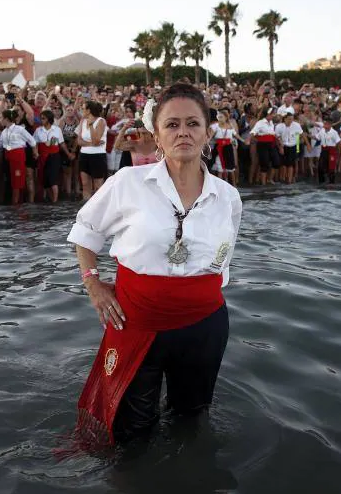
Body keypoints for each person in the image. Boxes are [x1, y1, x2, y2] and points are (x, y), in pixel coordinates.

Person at [67, 83, 242, 445]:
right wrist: (94, 286)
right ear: (157, 135)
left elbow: (224, 258)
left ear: (207, 133)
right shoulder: (127, 183)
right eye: (172, 124)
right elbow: (85, 233)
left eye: (193, 124)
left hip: (204, 325)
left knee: (191, 418)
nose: (183, 132)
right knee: (130, 430)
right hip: (136, 320)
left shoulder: (228, 196)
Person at [0, 108, 38, 205]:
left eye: (1, 118)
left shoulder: (20, 129)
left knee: (18, 180)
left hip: (18, 157)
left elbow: (32, 141)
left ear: (7, 119)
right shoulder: (4, 131)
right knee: (11, 180)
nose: (0, 120)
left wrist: (35, 152)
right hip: (8, 157)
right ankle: (15, 203)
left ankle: (17, 203)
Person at [33, 110, 71, 203]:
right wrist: (35, 153)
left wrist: (68, 154)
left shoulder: (57, 129)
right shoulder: (38, 130)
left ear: (49, 119)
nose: (41, 120)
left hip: (54, 156)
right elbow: (34, 143)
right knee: (45, 180)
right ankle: (50, 199)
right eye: (41, 118)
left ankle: (55, 200)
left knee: (53, 178)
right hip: (42, 156)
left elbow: (61, 143)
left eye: (43, 118)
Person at [77, 101, 108, 200]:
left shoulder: (101, 121)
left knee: (98, 185)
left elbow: (96, 140)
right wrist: (90, 144)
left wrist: (91, 126)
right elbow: (79, 141)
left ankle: (100, 207)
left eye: (83, 108)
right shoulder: (82, 121)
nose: (82, 110)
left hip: (97, 155)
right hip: (84, 155)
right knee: (85, 184)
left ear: (89, 110)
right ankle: (86, 207)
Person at [274, 112, 306, 184]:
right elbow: (277, 138)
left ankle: (290, 179)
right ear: (284, 119)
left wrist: (306, 145)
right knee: (283, 164)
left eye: (292, 119)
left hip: (294, 146)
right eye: (289, 119)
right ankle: (283, 178)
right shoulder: (279, 126)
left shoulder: (296, 125)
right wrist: (280, 147)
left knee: (291, 164)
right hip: (283, 146)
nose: (291, 121)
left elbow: (301, 136)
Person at [250, 108, 276, 184]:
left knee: (263, 163)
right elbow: (253, 133)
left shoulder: (270, 122)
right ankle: (251, 180)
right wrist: (252, 140)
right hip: (256, 143)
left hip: (267, 143)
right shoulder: (257, 122)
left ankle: (259, 179)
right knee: (255, 162)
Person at [317, 119, 341, 184]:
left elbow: (339, 142)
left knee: (331, 168)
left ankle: (332, 183)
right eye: (324, 124)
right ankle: (321, 182)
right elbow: (317, 138)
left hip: (331, 151)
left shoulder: (334, 132)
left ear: (330, 125)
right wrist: (308, 135)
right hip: (323, 150)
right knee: (320, 166)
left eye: (326, 124)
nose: (325, 125)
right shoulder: (322, 130)